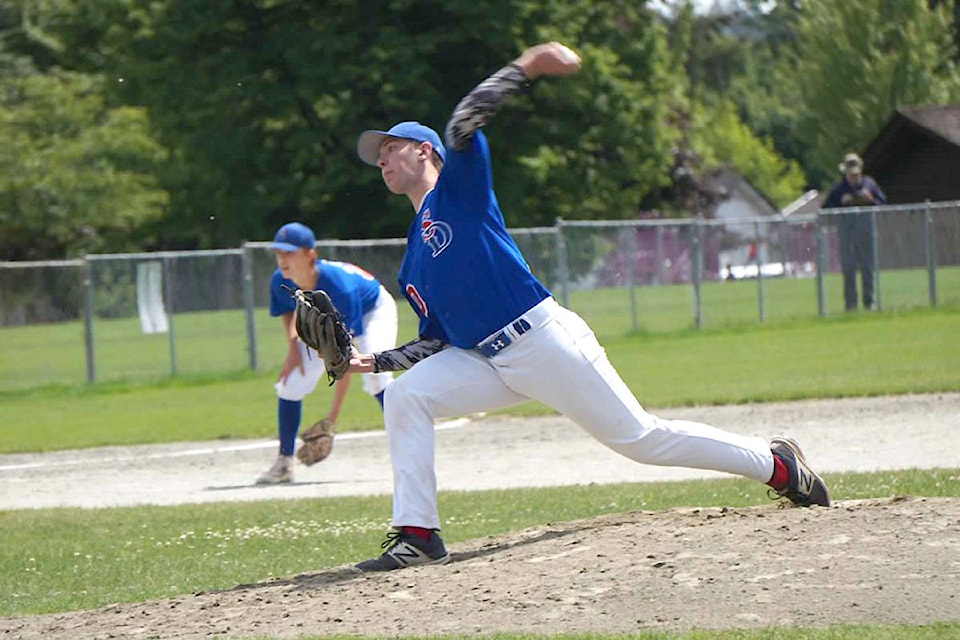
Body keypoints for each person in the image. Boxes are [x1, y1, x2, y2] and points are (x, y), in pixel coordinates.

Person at [346, 42, 830, 572]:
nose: (382, 159)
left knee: (641, 440)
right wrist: (374, 362)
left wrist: (527, 66)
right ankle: (418, 534)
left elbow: (463, 121)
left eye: (392, 147)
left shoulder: (460, 192)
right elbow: (435, 339)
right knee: (405, 398)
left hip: (541, 340)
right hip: (483, 361)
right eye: (379, 154)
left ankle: (778, 467)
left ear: (425, 152)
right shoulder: (413, 259)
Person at [256, 222, 398, 484]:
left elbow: (347, 361)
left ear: (310, 255)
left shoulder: (339, 288)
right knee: (289, 384)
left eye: (290, 253)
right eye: (279, 252)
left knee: (376, 377)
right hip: (323, 321)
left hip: (371, 311)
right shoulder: (280, 280)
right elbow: (287, 310)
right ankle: (284, 463)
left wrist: (330, 420)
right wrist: (292, 351)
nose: (282, 259)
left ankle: (407, 453)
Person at [823, 153, 887, 311]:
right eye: (851, 174)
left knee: (868, 267)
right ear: (845, 172)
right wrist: (840, 203)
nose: (854, 177)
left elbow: (883, 202)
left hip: (866, 231)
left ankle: (869, 303)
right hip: (847, 233)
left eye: (856, 174)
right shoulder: (838, 189)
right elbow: (825, 210)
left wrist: (871, 199)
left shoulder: (869, 184)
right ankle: (850, 306)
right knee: (849, 268)